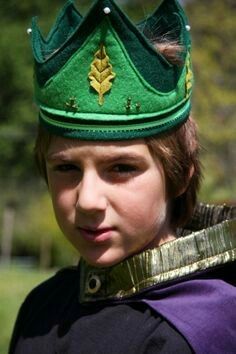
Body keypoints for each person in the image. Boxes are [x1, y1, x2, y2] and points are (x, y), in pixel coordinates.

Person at [9, 0, 236, 353]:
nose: (87, 200)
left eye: (121, 168)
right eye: (67, 168)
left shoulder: (197, 331)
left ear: (178, 178)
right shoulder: (44, 306)